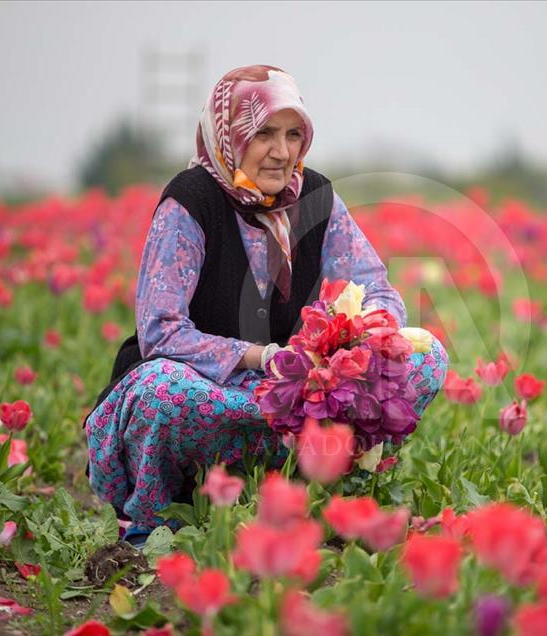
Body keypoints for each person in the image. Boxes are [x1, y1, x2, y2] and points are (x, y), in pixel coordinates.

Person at [84, 65, 448, 545]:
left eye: (294, 134)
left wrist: (357, 344)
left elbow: (377, 290)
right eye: (263, 134)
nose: (282, 152)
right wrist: (265, 358)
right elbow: (161, 332)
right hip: (214, 389)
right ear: (229, 137)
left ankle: (311, 490)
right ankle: (160, 516)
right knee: (163, 390)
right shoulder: (191, 203)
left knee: (423, 356)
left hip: (295, 394)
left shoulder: (313, 196)